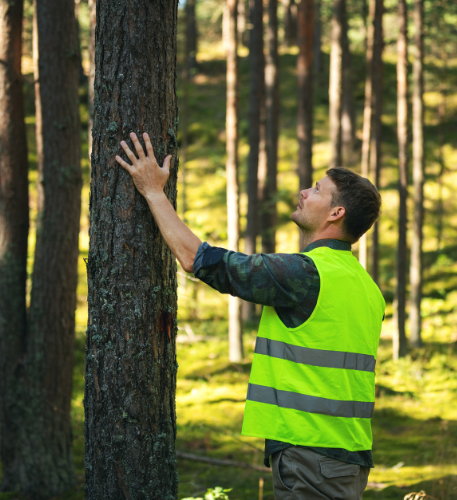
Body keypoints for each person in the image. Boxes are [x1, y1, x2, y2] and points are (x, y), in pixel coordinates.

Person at [116, 132, 385, 500]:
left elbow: (201, 260)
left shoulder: (307, 274)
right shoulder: (365, 286)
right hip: (345, 457)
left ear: (336, 213)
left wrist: (153, 192)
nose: (304, 192)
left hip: (311, 457)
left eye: (317, 190)